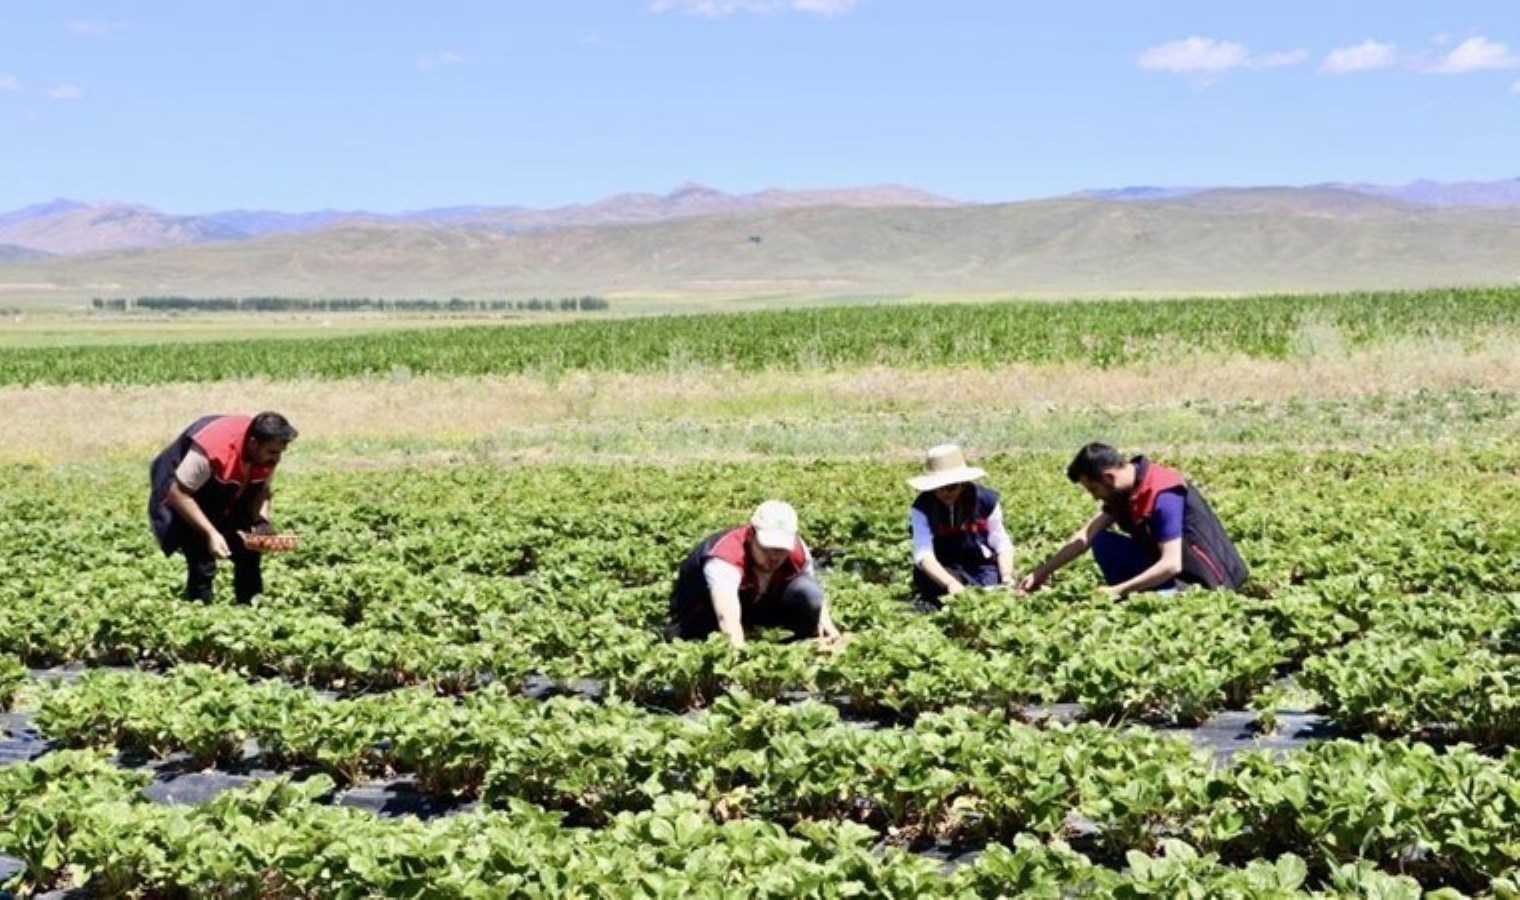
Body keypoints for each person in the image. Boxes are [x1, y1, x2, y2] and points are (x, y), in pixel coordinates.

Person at [1019, 443, 1248, 598]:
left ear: (1109, 478)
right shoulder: (1124, 490)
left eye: (1093, 489)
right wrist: (1041, 572)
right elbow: (1086, 535)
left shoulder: (1163, 492)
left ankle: (1138, 593)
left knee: (1155, 602)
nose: (1095, 497)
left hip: (1204, 581)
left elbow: (1171, 564)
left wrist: (1117, 590)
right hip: (1166, 569)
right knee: (1102, 540)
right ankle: (1138, 592)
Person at [148, 412, 298, 603]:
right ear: (253, 444)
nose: (277, 459)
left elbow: (262, 489)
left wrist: (261, 522)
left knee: (248, 551)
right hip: (185, 491)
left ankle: (252, 608)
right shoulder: (211, 450)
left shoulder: (266, 455)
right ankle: (199, 611)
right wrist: (211, 533)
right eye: (272, 452)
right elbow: (179, 494)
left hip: (228, 491)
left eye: (280, 452)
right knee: (201, 557)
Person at [666, 500, 841, 649]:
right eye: (766, 548)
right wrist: (740, 655)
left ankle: (786, 644)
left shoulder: (798, 550)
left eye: (780, 550)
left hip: (754, 607)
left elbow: (813, 592)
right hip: (701, 616)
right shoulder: (725, 557)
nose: (773, 557)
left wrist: (824, 622)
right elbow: (726, 617)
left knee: (807, 590)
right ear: (751, 535)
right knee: (704, 638)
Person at [907, 444, 1014, 608]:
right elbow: (923, 554)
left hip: (981, 565)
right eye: (937, 488)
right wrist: (950, 583)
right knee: (927, 579)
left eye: (951, 487)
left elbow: (1001, 542)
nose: (944, 493)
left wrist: (1007, 576)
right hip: (944, 566)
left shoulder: (986, 500)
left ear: (962, 483)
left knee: (992, 592)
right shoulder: (922, 507)